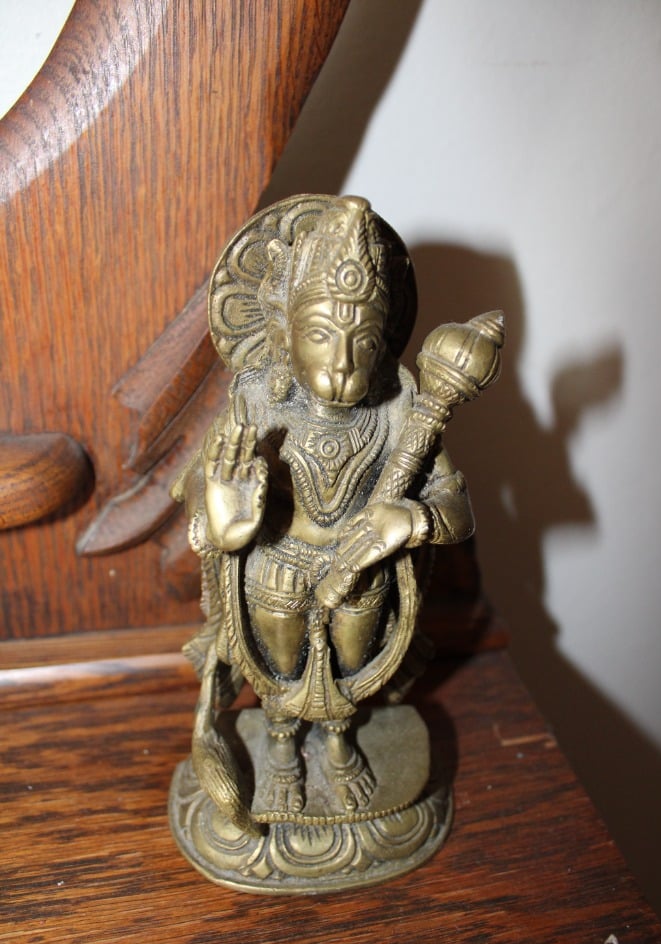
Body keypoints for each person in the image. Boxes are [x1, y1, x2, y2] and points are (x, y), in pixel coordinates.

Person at [173, 196, 475, 823]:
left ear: (385, 341)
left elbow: (456, 505)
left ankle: (339, 742)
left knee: (355, 659)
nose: (341, 364)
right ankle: (282, 746)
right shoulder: (257, 400)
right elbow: (205, 478)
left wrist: (413, 520)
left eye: (363, 341)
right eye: (319, 335)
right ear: (282, 331)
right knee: (277, 662)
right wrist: (224, 518)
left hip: (361, 569)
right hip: (276, 564)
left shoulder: (400, 407)